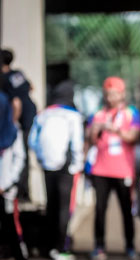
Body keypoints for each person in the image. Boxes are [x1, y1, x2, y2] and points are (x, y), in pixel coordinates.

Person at [28, 75, 83, 260]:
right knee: (64, 208)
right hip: (67, 169)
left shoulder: (44, 113)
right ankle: (62, 248)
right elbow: (77, 143)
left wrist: (41, 160)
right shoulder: (73, 116)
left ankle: (49, 247)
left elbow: (32, 141)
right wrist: (77, 165)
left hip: (47, 167)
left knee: (51, 206)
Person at [87, 77, 140, 260]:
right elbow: (89, 138)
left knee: (127, 210)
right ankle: (99, 246)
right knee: (100, 210)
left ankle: (130, 246)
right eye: (108, 94)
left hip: (123, 170)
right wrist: (95, 129)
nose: (111, 97)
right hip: (100, 170)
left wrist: (115, 129)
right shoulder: (97, 114)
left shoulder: (130, 113)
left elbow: (133, 136)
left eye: (115, 94)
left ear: (122, 94)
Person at [1, 49, 37, 201]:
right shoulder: (17, 74)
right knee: (24, 156)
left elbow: (16, 103)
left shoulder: (3, 78)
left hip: (20, 119)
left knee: (18, 155)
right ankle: (24, 191)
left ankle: (19, 191)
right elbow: (31, 87)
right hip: (30, 116)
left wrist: (12, 123)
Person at [0, 90, 27, 260]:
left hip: (6, 188)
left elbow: (19, 159)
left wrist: (5, 184)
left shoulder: (13, 130)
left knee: (10, 223)